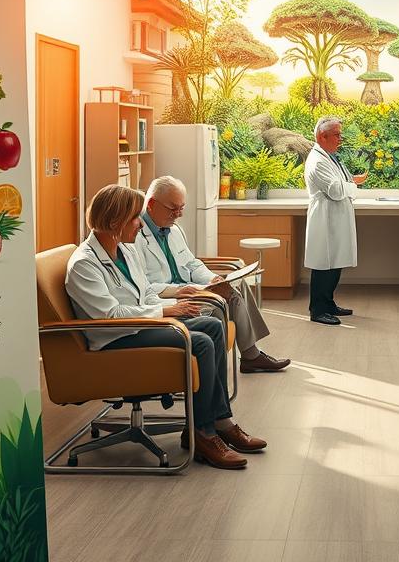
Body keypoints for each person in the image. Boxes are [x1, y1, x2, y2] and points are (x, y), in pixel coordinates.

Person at [65, 185, 267, 470]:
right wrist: (166, 311)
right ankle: (204, 434)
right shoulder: (84, 264)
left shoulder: (125, 250)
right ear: (114, 222)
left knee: (212, 326)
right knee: (200, 342)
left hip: (139, 325)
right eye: (135, 218)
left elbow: (146, 292)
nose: (140, 225)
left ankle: (221, 421)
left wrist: (172, 304)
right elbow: (110, 315)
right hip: (114, 338)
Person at [137, 176, 290, 373]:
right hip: (170, 297)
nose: (178, 214)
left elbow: (192, 264)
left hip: (191, 288)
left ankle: (251, 355)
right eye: (173, 208)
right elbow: (143, 286)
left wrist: (212, 279)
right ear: (151, 204)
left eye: (182, 208)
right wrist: (193, 289)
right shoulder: (135, 236)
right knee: (221, 303)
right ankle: (244, 359)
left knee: (235, 287)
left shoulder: (174, 230)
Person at [304, 115, 366, 326]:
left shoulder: (329, 156)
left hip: (335, 218)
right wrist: (352, 186)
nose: (341, 139)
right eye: (337, 135)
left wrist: (349, 184)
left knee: (334, 264)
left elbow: (342, 183)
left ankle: (329, 304)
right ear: (322, 136)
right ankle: (318, 310)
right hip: (325, 218)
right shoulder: (317, 161)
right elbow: (337, 190)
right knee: (324, 265)